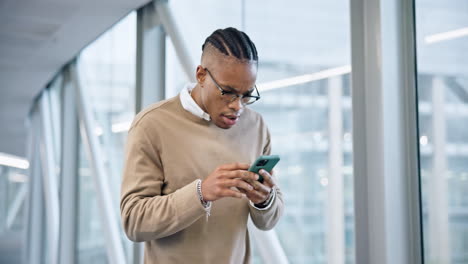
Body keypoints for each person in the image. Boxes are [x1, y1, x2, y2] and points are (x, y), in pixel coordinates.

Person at [120, 27, 284, 264]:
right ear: (201, 75)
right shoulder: (151, 125)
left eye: (246, 95)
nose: (238, 106)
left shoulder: (256, 126)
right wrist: (200, 193)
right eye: (228, 92)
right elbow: (134, 222)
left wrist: (264, 200)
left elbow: (269, 219)